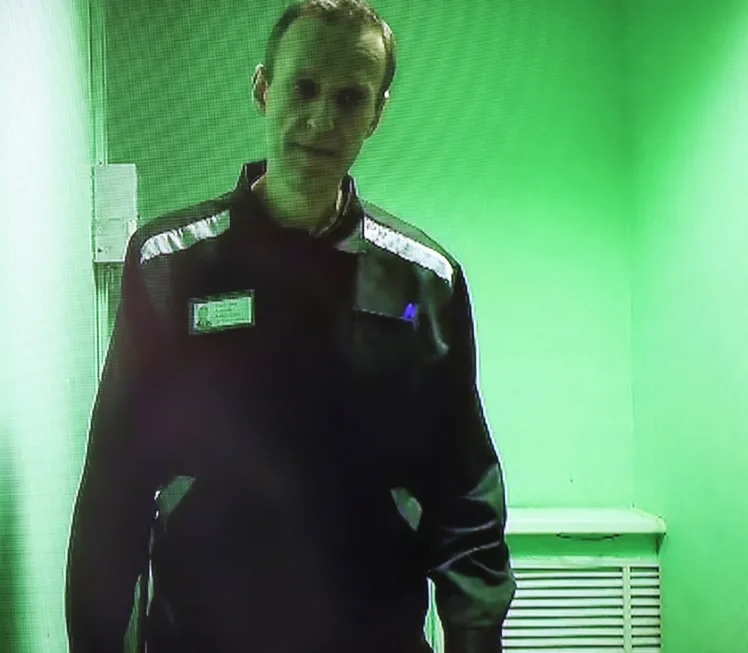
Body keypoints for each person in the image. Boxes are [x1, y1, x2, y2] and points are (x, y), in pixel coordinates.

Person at [66, 1, 516, 652]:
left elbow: (465, 491)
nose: (321, 120)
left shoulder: (424, 282)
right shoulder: (169, 265)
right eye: (304, 88)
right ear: (263, 89)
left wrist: (475, 638)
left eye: (349, 98)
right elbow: (117, 482)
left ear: (377, 112)